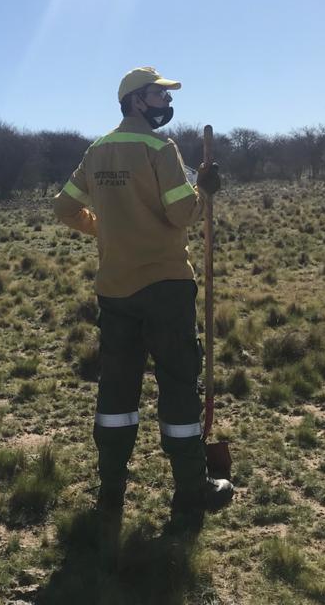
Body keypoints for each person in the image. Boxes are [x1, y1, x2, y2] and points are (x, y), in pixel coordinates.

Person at [53, 66, 233, 531]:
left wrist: (105, 226)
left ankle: (111, 494)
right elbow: (180, 213)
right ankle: (191, 491)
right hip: (167, 287)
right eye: (158, 95)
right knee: (177, 386)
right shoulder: (161, 148)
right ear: (136, 101)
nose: (165, 103)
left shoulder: (96, 151)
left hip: (114, 289)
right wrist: (203, 190)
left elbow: (64, 208)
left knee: (116, 392)